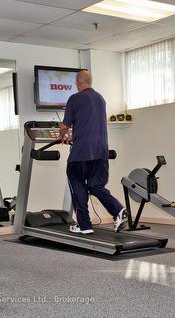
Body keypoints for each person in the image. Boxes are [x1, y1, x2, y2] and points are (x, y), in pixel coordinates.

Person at [59, 70, 127, 234]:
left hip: (81, 152)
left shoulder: (74, 99)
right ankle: (117, 209)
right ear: (91, 82)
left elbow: (64, 126)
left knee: (78, 185)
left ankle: (84, 225)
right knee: (96, 185)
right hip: (101, 151)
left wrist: (64, 135)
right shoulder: (100, 98)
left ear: (77, 83)